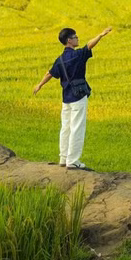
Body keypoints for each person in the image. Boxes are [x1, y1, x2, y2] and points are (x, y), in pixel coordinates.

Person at [32, 26, 111, 169]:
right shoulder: (77, 55)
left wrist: (39, 85)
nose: (77, 39)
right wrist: (101, 35)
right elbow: (89, 45)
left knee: (66, 128)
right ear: (69, 40)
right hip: (78, 97)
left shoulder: (60, 59)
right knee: (77, 128)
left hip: (66, 99)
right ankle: (73, 161)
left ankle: (63, 158)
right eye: (75, 37)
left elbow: (50, 73)